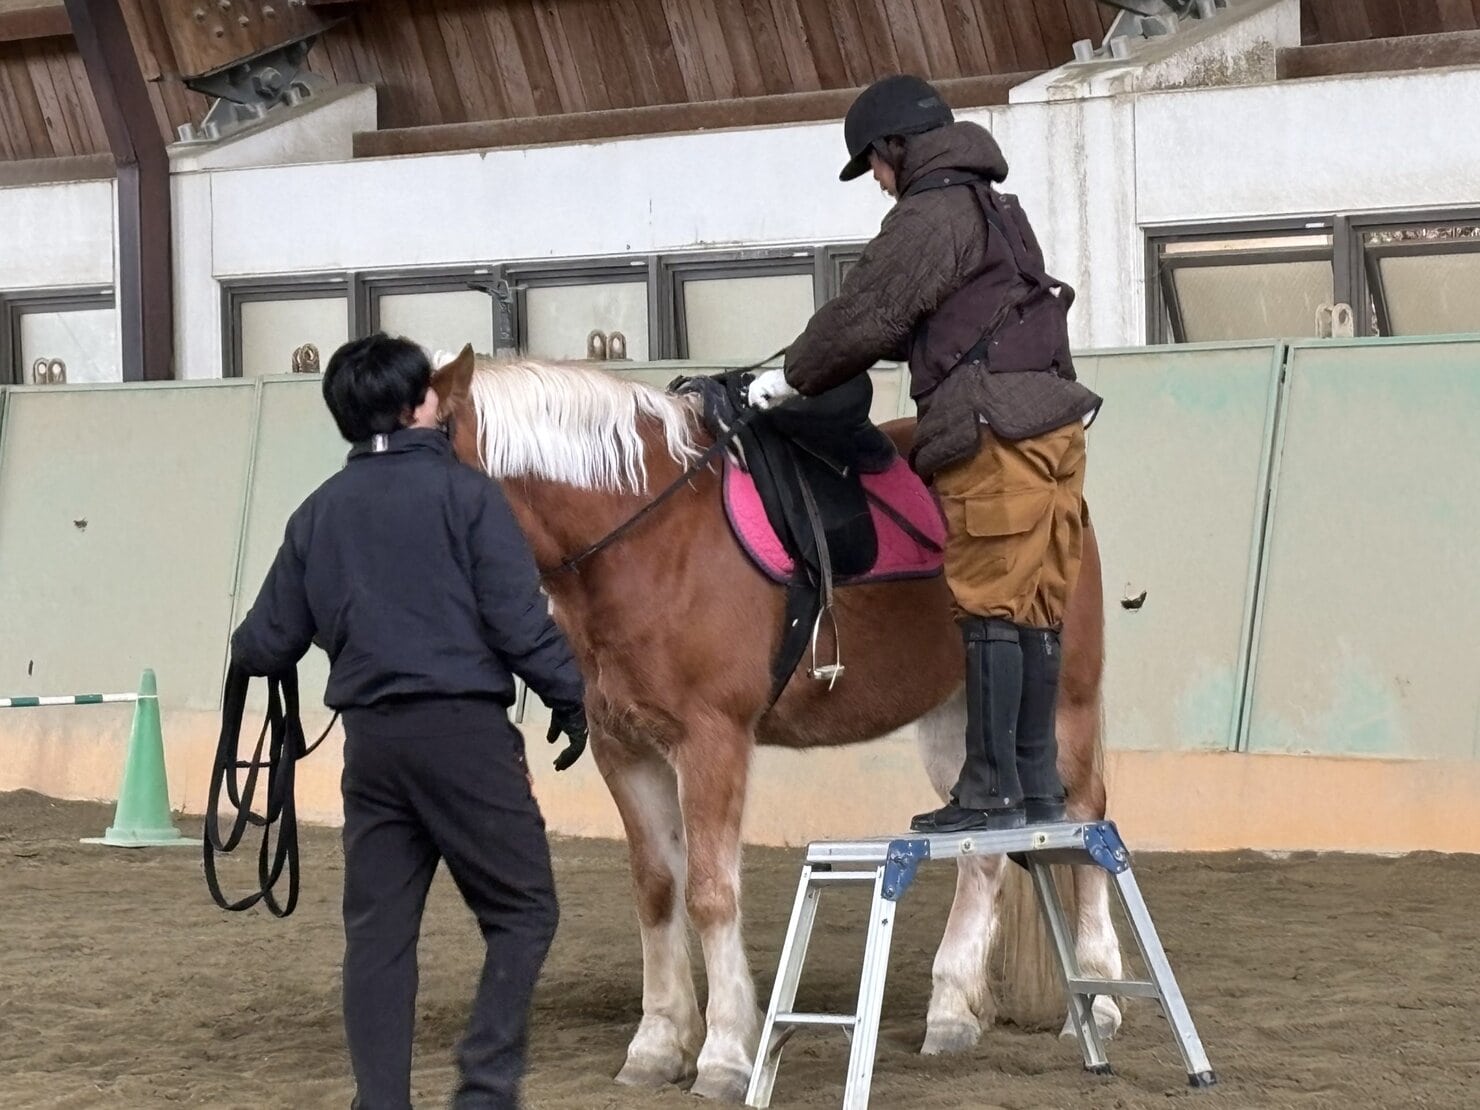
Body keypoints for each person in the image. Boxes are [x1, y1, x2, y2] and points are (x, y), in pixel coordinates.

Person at [230, 333, 589, 1109]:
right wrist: (569, 695)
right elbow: (518, 622)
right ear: (417, 404)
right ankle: (486, 1088)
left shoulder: (317, 513)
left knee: (379, 936)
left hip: (374, 749)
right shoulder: (468, 497)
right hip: (464, 737)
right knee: (524, 911)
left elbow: (263, 643)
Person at [748, 75, 1103, 834]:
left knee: (987, 604)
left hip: (993, 428)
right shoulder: (996, 208)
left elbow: (868, 314)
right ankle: (1035, 784)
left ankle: (988, 789)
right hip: (1052, 428)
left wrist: (779, 380)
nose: (876, 181)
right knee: (1036, 607)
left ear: (894, 147)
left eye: (873, 165)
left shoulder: (931, 212)